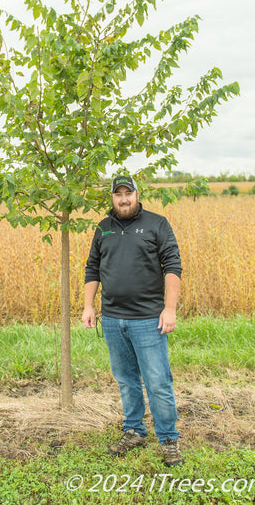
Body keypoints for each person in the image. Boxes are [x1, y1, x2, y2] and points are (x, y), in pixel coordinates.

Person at [82, 175, 184, 467]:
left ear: (138, 195)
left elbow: (173, 264)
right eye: (118, 194)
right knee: (126, 379)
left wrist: (170, 308)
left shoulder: (157, 223)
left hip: (148, 319)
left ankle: (168, 439)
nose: (124, 199)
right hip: (112, 319)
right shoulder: (103, 228)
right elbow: (93, 267)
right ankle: (134, 430)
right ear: (112, 197)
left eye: (129, 193)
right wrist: (89, 305)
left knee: (158, 381)